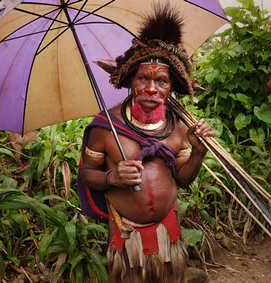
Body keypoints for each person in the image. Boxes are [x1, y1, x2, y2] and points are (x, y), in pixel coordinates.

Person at [77, 4, 215, 282]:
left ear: (171, 87)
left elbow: (184, 179)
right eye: (143, 78)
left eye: (161, 81)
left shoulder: (177, 126)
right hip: (127, 238)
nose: (151, 88)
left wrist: (198, 153)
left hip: (168, 233)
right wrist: (113, 176)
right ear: (131, 81)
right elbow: (86, 175)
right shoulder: (106, 127)